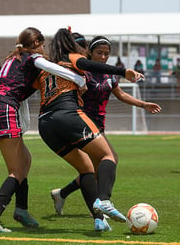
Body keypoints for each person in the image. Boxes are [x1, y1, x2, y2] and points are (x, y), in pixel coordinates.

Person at [0, 27, 86, 233]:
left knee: (25, 160)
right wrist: (79, 79)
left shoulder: (12, 60)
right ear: (35, 43)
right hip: (3, 108)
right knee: (17, 169)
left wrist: (22, 125)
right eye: (42, 44)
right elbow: (52, 68)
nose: (44, 48)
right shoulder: (31, 58)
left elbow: (20, 94)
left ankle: (21, 210)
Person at [36, 28, 144, 231]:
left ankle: (97, 218)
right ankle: (103, 200)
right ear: (72, 45)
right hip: (71, 117)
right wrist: (123, 71)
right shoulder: (74, 59)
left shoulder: (45, 67)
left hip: (45, 123)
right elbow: (87, 64)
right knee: (108, 157)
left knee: (88, 170)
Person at [50, 35, 161, 219]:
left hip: (98, 125)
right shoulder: (83, 71)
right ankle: (102, 203)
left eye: (106, 54)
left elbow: (121, 94)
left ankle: (62, 194)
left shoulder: (109, 74)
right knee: (110, 159)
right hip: (82, 123)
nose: (103, 57)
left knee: (95, 170)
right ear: (89, 52)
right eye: (99, 53)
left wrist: (143, 104)